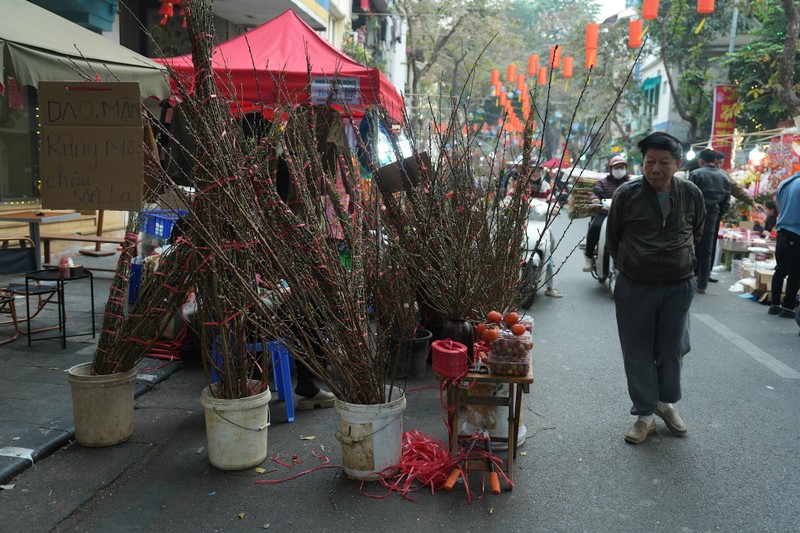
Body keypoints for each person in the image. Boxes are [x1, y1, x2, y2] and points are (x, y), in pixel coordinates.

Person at [606, 132, 705, 444]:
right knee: (637, 350)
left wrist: (680, 260)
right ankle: (645, 414)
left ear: (677, 164)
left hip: (678, 286)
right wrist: (636, 263)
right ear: (642, 163)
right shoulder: (627, 194)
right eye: (650, 162)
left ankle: (665, 402)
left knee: (673, 348)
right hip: (635, 285)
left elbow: (697, 232)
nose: (656, 169)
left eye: (664, 162)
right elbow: (613, 239)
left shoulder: (691, 193)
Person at [688, 149, 731, 294]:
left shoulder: (696, 174)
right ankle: (702, 285)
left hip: (694, 216)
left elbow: (688, 196)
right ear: (715, 160)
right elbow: (726, 202)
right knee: (707, 250)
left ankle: (686, 280)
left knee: (690, 247)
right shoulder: (724, 177)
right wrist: (718, 214)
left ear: (701, 161)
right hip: (713, 215)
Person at [583, 155, 630, 272]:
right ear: (611, 169)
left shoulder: (630, 183)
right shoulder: (602, 183)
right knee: (595, 227)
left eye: (621, 167)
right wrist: (595, 199)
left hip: (624, 215)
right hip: (605, 213)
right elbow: (594, 193)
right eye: (616, 167)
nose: (619, 170)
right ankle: (589, 257)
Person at [768, 172, 800, 318]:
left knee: (780, 269)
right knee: (795, 272)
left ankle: (774, 305)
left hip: (782, 231)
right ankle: (788, 307)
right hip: (796, 232)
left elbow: (780, 207)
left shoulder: (785, 183)